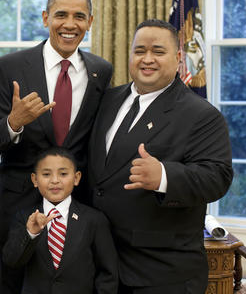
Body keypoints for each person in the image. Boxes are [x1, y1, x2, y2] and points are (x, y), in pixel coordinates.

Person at [87, 19, 233, 294]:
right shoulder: (106, 101)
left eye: (158, 51)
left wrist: (165, 176)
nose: (147, 59)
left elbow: (218, 177)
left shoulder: (201, 115)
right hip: (99, 266)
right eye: (140, 50)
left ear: (178, 58)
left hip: (161, 273)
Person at [0, 0, 113, 293]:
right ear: (45, 18)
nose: (70, 24)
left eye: (79, 16)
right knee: (15, 282)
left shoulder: (101, 71)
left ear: (90, 22)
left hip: (77, 203)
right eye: (61, 15)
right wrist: (13, 122)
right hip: (19, 204)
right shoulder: (9, 67)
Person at [2, 147, 118, 294]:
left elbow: (107, 274)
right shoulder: (24, 217)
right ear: (35, 179)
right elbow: (11, 261)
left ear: (76, 178)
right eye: (46, 174)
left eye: (63, 174)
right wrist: (31, 234)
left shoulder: (94, 219)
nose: (55, 180)